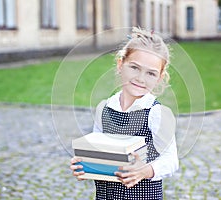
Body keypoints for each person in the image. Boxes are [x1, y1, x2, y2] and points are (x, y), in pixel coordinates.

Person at [70, 27, 179, 200]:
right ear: (121, 64)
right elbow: (99, 151)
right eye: (134, 67)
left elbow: (171, 160)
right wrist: (85, 164)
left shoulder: (157, 113)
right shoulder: (104, 109)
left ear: (159, 78)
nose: (140, 78)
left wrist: (145, 171)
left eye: (151, 73)